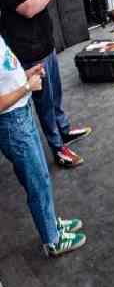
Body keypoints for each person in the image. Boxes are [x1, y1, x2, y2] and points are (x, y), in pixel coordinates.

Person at [0, 0, 91, 168]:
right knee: (45, 105)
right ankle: (58, 149)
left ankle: (64, 131)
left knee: (56, 98)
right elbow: (28, 9)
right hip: (30, 54)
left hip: (45, 47)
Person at [0, 34, 86, 256]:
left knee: (41, 178)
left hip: (21, 115)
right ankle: (52, 241)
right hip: (13, 122)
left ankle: (51, 226)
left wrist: (27, 76)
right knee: (36, 183)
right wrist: (27, 86)